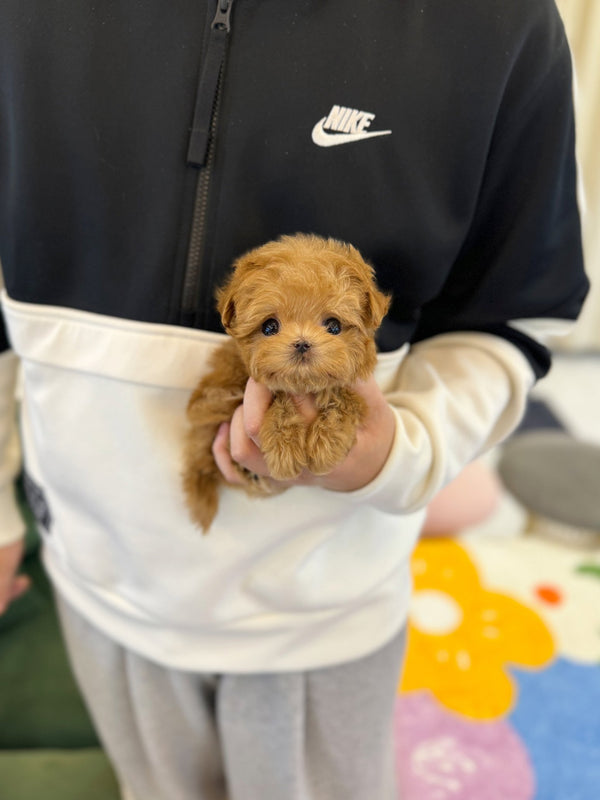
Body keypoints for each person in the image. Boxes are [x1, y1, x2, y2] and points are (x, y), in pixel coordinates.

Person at [0, 1, 589, 798]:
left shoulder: (498, 23)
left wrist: (404, 450)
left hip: (326, 611)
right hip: (98, 581)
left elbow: (513, 314)